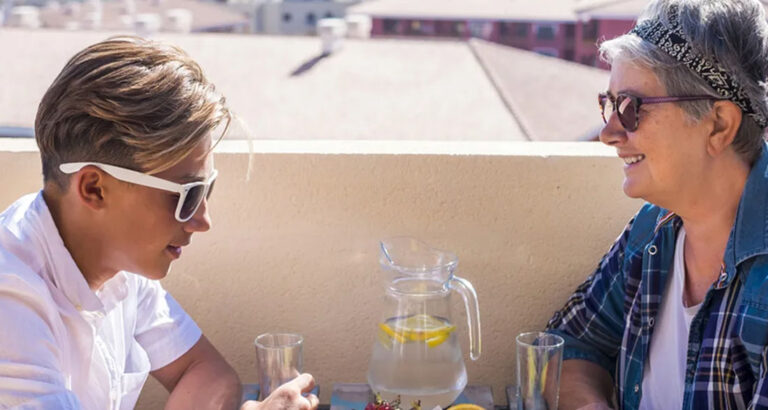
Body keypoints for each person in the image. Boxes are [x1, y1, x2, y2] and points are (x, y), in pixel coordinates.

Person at [0, 36, 319, 410]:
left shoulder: (115, 257)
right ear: (94, 188)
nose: (203, 221)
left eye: (206, 190)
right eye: (186, 196)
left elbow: (206, 373)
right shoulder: (12, 299)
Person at [545, 0, 768, 409]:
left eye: (631, 108)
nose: (609, 132)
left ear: (718, 125)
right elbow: (567, 346)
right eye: (608, 105)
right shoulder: (653, 232)